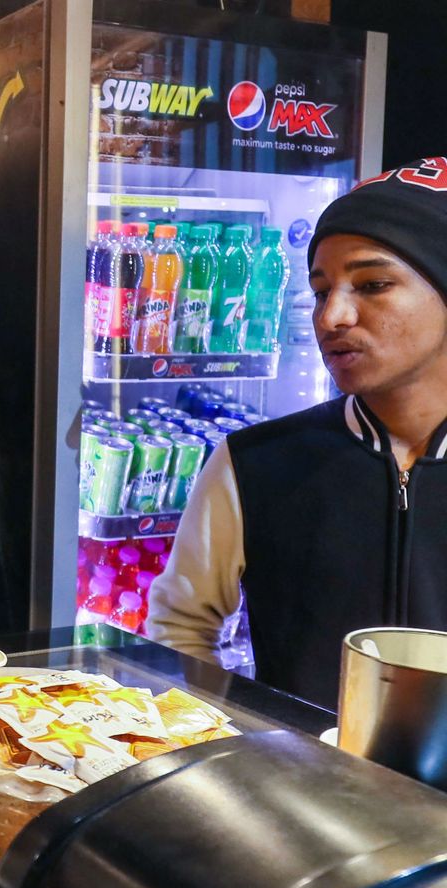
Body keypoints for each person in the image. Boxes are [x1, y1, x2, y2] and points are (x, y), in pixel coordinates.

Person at [147, 159, 447, 708]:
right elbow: (181, 628)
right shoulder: (256, 461)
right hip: (293, 788)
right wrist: (236, 743)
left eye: (373, 285)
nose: (332, 316)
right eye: (319, 289)